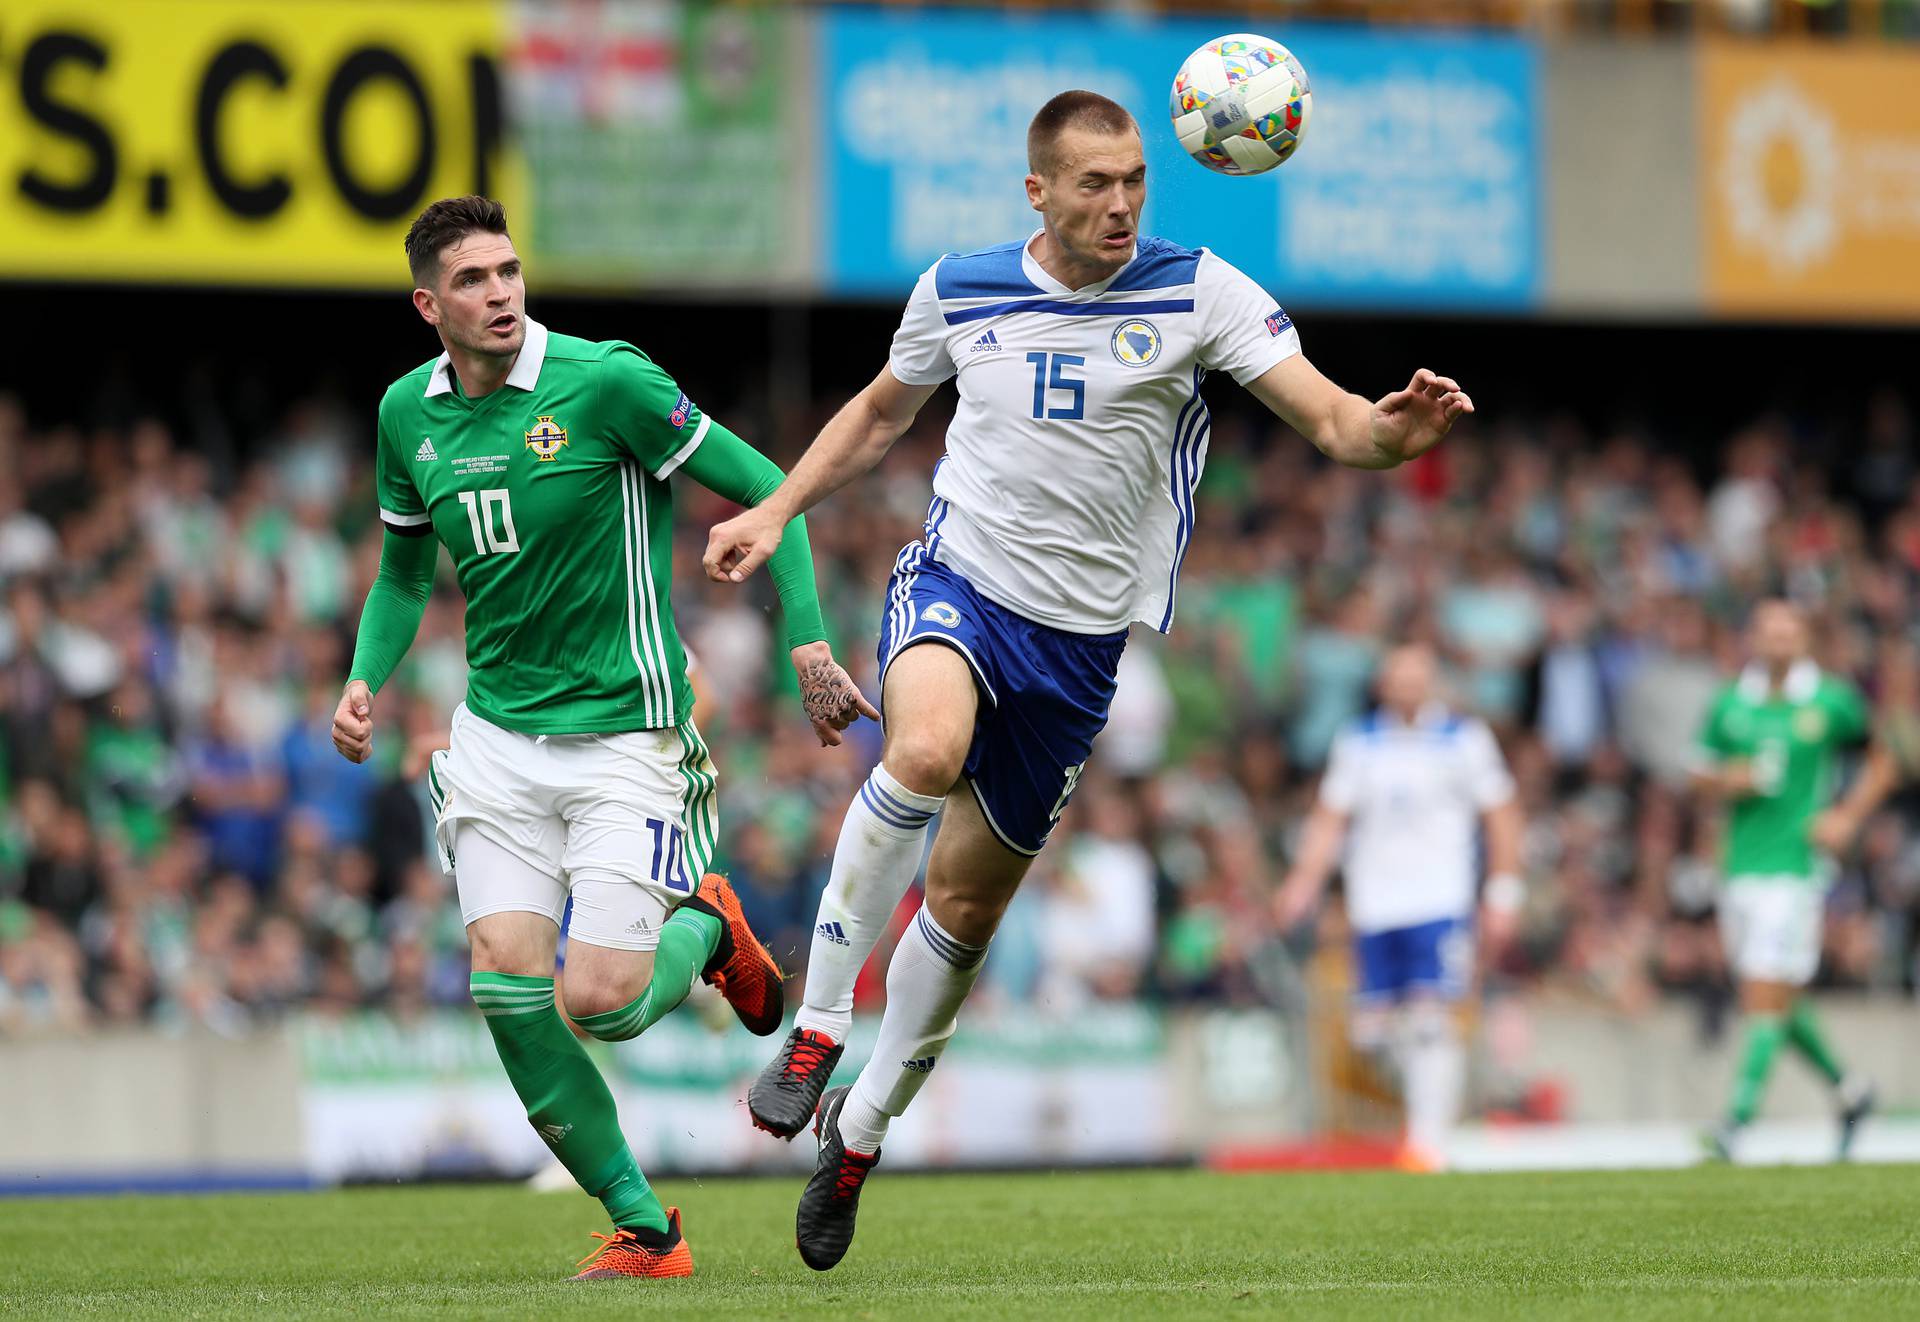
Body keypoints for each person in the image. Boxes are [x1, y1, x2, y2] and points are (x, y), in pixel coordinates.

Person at [701, 92, 1473, 1270]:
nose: (1119, 205)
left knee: (963, 914)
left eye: (1134, 183)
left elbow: (1333, 422)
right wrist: (776, 505)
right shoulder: (959, 286)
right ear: (1039, 193)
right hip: (959, 582)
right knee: (918, 750)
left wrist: (1396, 431)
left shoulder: (1198, 290)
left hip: (1078, 649)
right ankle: (816, 1023)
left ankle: (858, 1137)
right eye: (1095, 184)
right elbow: (876, 416)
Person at [330, 196, 873, 1280]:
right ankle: (646, 1227)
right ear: (428, 304)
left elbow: (773, 489)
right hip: (494, 738)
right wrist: (363, 677)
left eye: (510, 271)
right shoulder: (407, 412)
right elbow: (401, 569)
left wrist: (806, 645)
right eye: (474, 280)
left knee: (606, 1001)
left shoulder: (607, 381)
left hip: (629, 734)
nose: (500, 293)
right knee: (505, 982)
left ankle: (708, 931)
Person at [1273, 643, 1523, 1171]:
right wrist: (1303, 881)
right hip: (1375, 904)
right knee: (1373, 1033)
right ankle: (1423, 1118)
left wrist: (1502, 892)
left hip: (1440, 899)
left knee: (1432, 1018)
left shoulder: (1463, 739)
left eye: (1417, 678)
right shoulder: (1360, 742)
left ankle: (1427, 1143)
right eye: (1398, 679)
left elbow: (1501, 814)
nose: (1407, 689)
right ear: (1383, 684)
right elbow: (1330, 817)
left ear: (1432, 683)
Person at [1692, 600, 1876, 1161]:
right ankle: (1851, 1091)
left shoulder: (1830, 701)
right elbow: (1698, 775)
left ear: (1804, 639)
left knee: (1763, 994)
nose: (1779, 641)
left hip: (1795, 869)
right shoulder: (1730, 703)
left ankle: (1735, 1123)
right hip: (1740, 868)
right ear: (1753, 637)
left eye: (1790, 632)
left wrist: (1847, 814)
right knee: (1776, 996)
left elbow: (1886, 755)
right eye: (1770, 632)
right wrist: (1730, 780)